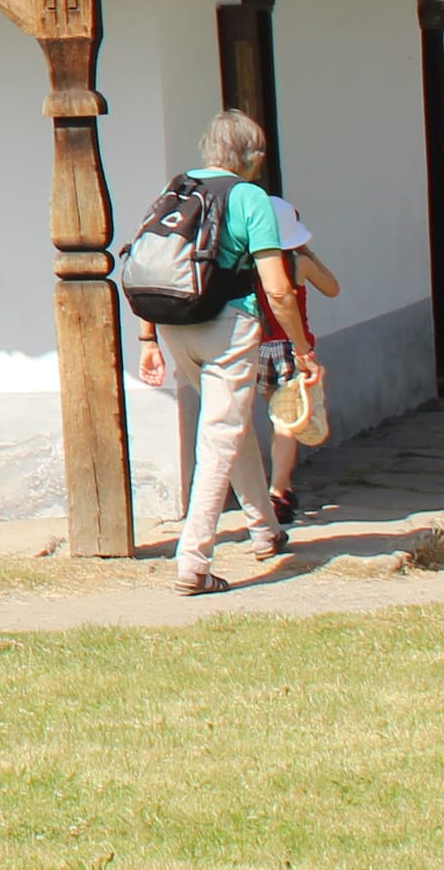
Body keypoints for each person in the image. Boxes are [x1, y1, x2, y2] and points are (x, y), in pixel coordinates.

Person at [132, 110, 321, 593]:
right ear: (253, 158)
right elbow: (277, 289)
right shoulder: (250, 197)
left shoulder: (178, 188)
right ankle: (193, 562)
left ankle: (264, 530)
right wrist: (301, 347)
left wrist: (148, 339)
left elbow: (149, 261)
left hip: (177, 325)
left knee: (230, 426)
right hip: (228, 329)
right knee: (220, 438)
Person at [255, 200, 342, 538]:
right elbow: (332, 288)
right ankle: (277, 493)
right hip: (292, 349)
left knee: (275, 418)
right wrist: (306, 252)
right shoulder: (297, 264)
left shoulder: (248, 266)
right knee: (286, 424)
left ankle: (283, 486)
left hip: (256, 349)